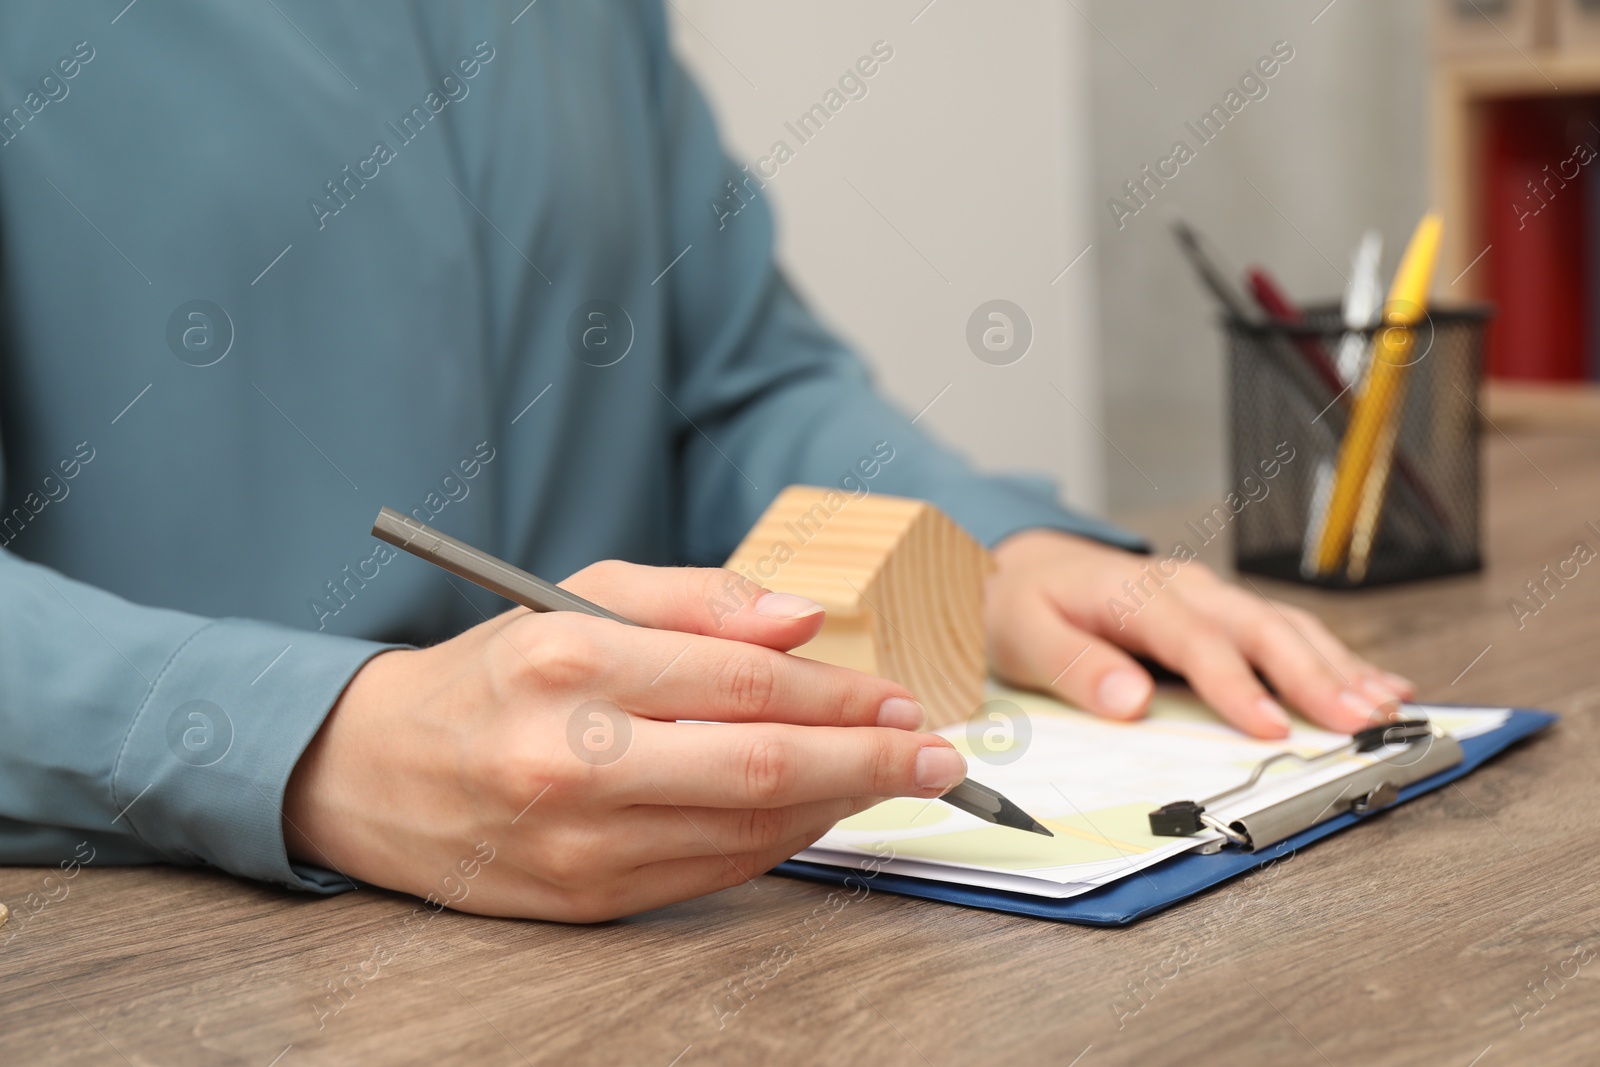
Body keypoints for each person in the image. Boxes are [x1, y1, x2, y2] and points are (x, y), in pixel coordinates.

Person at [0, 2, 1410, 923]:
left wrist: (981, 550)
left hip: (668, 952)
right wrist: (309, 745)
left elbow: (734, 384)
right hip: (164, 957)